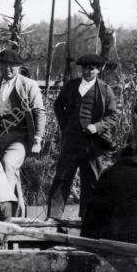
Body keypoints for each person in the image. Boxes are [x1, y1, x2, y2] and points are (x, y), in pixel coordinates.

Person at [47, 53, 118, 220]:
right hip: (71, 142)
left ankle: (89, 217)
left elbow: (112, 116)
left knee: (93, 180)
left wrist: (97, 127)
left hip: (93, 144)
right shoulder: (71, 86)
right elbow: (58, 106)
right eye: (85, 68)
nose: (87, 72)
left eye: (91, 69)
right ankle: (53, 217)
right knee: (62, 178)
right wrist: (66, 127)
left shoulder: (105, 90)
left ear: (99, 70)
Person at [0, 49, 46, 216]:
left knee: (9, 163)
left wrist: (37, 140)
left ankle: (4, 211)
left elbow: (39, 112)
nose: (8, 68)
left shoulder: (29, 85)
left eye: (12, 65)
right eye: (4, 64)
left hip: (19, 138)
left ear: (19, 67)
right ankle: (17, 211)